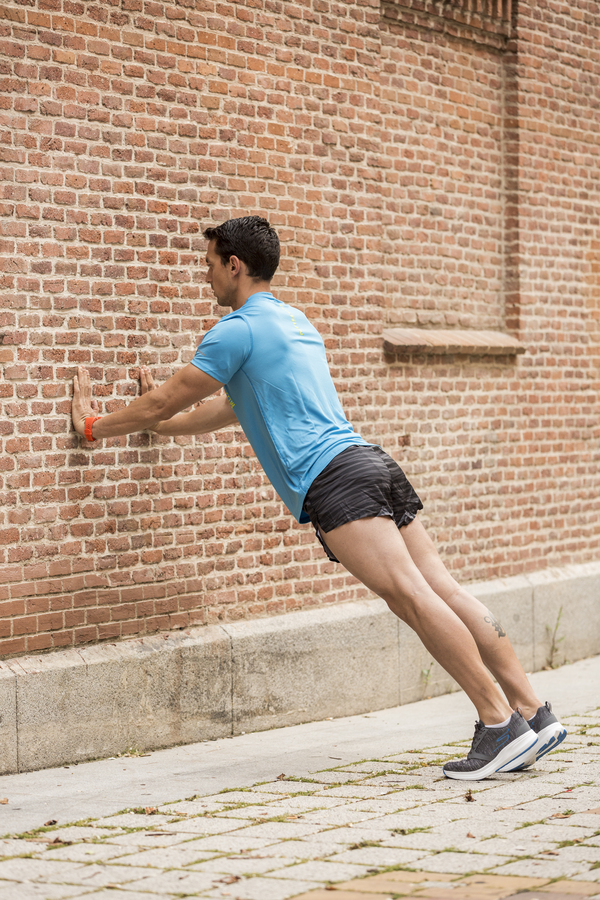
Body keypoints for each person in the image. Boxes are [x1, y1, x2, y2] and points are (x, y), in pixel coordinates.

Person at [72, 215, 566, 780]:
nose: (204, 276)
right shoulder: (292, 321)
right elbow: (229, 408)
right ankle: (533, 710)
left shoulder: (235, 330)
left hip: (335, 479)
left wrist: (93, 425)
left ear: (234, 265)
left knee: (410, 596)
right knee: (440, 587)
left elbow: (163, 399)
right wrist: (162, 427)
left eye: (208, 264)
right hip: (371, 462)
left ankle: (500, 724)